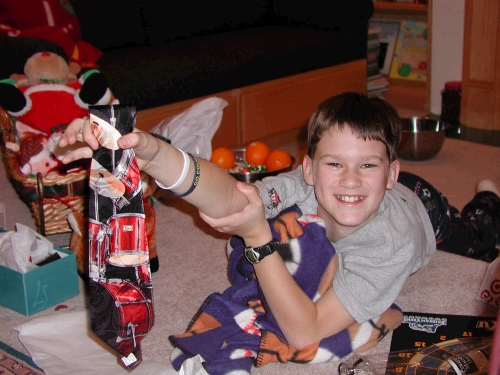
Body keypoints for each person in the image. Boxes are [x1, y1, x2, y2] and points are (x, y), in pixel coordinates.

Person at [59, 92, 500, 359]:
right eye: (334, 164)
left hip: (424, 210)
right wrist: (151, 153)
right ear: (308, 169)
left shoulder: (390, 242)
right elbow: (233, 195)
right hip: (383, 187)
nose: (349, 180)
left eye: (368, 165)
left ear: (389, 173)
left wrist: (259, 238)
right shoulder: (301, 185)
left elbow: (305, 330)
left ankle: (488, 195)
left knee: (480, 236)